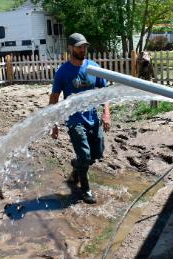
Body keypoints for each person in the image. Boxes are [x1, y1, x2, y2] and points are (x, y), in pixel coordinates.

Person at [49, 33, 111, 204]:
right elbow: (54, 98)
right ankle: (85, 189)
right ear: (71, 48)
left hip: (92, 117)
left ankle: (77, 166)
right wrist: (54, 124)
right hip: (74, 120)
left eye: (85, 46)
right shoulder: (63, 72)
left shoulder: (93, 68)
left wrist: (106, 113)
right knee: (85, 155)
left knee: (96, 154)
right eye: (79, 46)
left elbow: (104, 93)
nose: (83, 49)